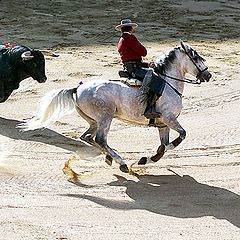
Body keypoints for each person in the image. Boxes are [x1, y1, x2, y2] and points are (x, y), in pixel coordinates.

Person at [115, 19, 164, 119]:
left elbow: (131, 59)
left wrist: (147, 65)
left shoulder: (121, 39)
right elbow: (143, 52)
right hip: (135, 70)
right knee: (157, 79)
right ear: (131, 28)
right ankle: (149, 108)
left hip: (130, 68)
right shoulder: (130, 38)